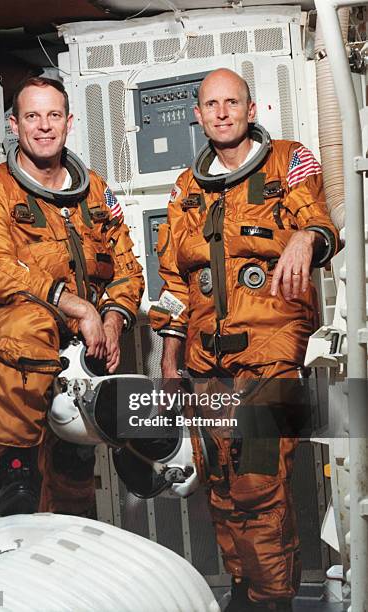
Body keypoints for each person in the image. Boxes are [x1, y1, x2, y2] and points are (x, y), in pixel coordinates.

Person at [149, 68, 339, 611]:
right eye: (212, 104)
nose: (223, 112)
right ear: (199, 115)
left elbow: (321, 221)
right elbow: (174, 281)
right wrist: (169, 350)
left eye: (233, 102)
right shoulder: (188, 188)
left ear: (251, 110)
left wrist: (305, 238)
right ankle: (246, 586)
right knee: (221, 482)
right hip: (207, 360)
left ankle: (272, 598)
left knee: (258, 481)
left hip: (272, 353)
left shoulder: (288, 160)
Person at [0, 76, 144, 517]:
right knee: (31, 324)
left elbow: (127, 269)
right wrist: (77, 306)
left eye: (53, 115)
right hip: (7, 333)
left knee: (72, 482)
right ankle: (17, 468)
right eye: (32, 116)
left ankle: (71, 527)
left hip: (81, 346)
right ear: (14, 124)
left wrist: (113, 321)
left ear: (69, 121)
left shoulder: (94, 191)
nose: (44, 126)